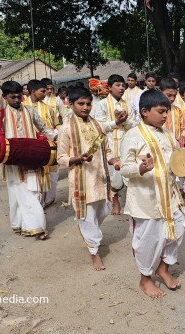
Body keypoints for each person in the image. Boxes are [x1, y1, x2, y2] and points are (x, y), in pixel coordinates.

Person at [119, 89, 185, 299]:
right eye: (160, 111)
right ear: (144, 111)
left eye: (166, 112)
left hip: (170, 197)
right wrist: (141, 169)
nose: (165, 116)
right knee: (149, 241)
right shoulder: (132, 136)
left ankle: (163, 269)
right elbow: (124, 168)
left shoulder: (167, 134)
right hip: (146, 200)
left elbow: (176, 161)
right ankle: (145, 279)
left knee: (178, 231)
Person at [0, 81, 57, 239]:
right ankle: (24, 224)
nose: (17, 100)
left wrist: (58, 137)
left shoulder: (30, 110)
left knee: (34, 191)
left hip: (33, 157)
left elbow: (44, 129)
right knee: (18, 191)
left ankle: (36, 226)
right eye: (12, 97)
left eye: (19, 96)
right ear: (5, 97)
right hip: (12, 161)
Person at [57, 86, 116, 271]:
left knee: (103, 210)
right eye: (81, 104)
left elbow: (105, 149)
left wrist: (113, 159)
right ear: (71, 104)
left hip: (100, 177)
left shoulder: (98, 125)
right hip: (82, 181)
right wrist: (76, 158)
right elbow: (60, 158)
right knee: (87, 216)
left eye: (89, 104)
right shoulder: (66, 129)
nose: (85, 107)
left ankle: (91, 236)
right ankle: (94, 252)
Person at [91, 74, 136, 215]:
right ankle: (115, 202)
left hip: (126, 144)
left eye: (123, 85)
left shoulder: (128, 104)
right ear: (109, 87)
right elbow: (98, 127)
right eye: (117, 85)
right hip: (109, 144)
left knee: (130, 176)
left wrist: (125, 121)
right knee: (113, 178)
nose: (121, 88)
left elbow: (134, 125)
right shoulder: (101, 105)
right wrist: (115, 122)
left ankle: (132, 203)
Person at [27, 79, 60, 208]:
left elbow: (56, 125)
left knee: (52, 172)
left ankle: (48, 199)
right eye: (43, 91)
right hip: (31, 146)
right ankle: (36, 202)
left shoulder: (48, 108)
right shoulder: (23, 106)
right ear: (33, 92)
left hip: (48, 145)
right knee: (34, 174)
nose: (46, 93)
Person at [160, 77, 185, 146]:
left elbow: (184, 128)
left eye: (174, 96)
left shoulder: (177, 111)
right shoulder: (153, 111)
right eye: (169, 95)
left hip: (176, 148)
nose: (172, 99)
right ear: (160, 92)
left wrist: (183, 136)